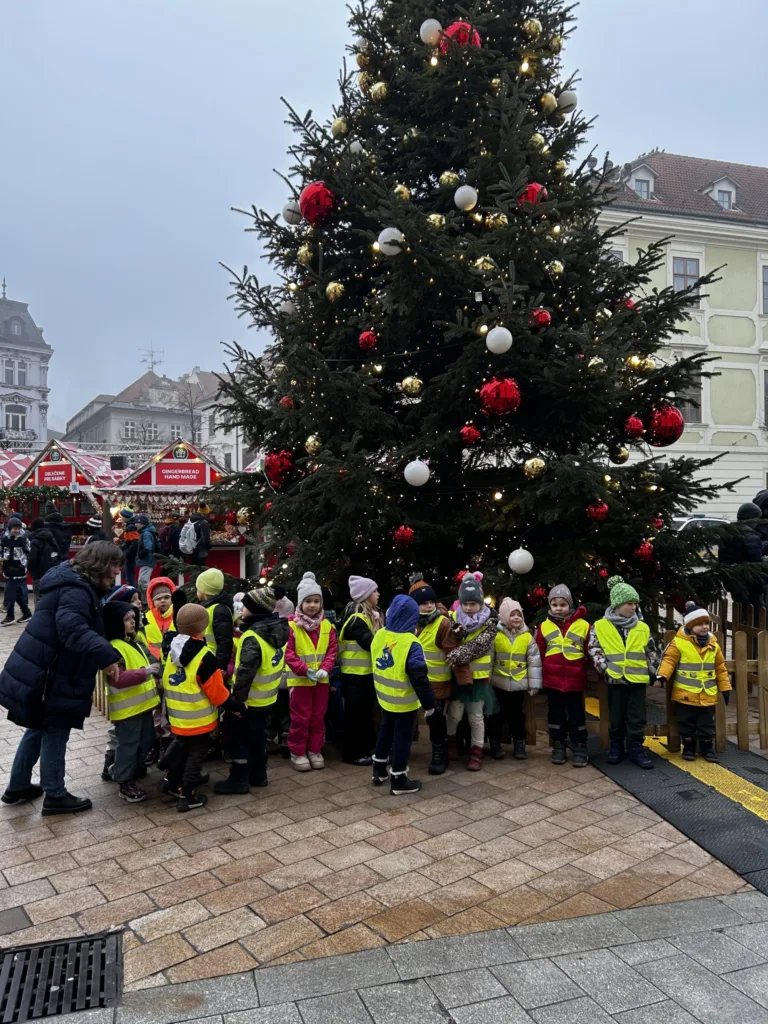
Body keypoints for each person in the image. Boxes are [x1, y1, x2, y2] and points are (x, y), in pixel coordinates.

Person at [0, 541, 123, 815]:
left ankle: (18, 785)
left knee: (36, 726)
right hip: (52, 673)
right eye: (113, 569)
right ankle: (55, 794)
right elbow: (73, 630)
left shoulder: (69, 580)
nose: (115, 575)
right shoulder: (76, 591)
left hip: (41, 668)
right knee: (56, 730)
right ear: (100, 565)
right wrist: (107, 656)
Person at [165, 603, 244, 810]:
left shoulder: (172, 649)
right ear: (203, 627)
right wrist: (233, 705)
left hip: (178, 716)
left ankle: (172, 782)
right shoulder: (204, 656)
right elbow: (217, 692)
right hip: (198, 718)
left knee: (182, 748)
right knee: (196, 754)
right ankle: (188, 795)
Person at [213, 587, 287, 795]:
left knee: (239, 740)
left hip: (248, 701)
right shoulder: (277, 631)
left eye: (245, 606)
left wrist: (236, 701)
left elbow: (245, 674)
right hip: (267, 698)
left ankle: (239, 779)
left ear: (254, 610)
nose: (242, 610)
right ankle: (258, 775)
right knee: (258, 738)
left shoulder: (252, 637)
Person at [588, 576, 658, 769]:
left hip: (637, 681)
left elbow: (650, 650)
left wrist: (653, 671)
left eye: (635, 603)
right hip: (615, 680)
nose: (633, 607)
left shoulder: (642, 627)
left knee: (637, 716)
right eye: (629, 603)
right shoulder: (600, 626)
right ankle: (616, 746)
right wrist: (605, 668)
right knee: (616, 716)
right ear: (617, 604)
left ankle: (636, 748)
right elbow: (594, 648)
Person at [371, 594, 436, 795]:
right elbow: (420, 678)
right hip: (404, 701)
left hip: (384, 697)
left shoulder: (380, 634)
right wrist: (430, 705)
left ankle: (379, 769)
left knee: (385, 731)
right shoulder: (411, 643)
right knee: (402, 738)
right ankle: (399, 778)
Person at [102, 600, 161, 803]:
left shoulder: (133, 642)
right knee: (129, 745)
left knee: (146, 740)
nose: (132, 623)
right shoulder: (114, 648)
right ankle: (124, 782)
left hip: (142, 707)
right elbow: (117, 679)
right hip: (127, 711)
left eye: (133, 619)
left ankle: (122, 769)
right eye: (126, 619)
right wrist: (145, 673)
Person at [657, 603, 731, 763]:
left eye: (706, 623)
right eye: (699, 624)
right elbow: (669, 659)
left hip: (708, 694)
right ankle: (689, 747)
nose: (704, 627)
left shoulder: (713, 645)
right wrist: (662, 675)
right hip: (685, 694)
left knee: (706, 724)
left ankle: (707, 748)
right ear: (690, 625)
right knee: (686, 723)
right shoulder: (679, 642)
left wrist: (725, 687)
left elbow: (720, 667)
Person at [409, 573, 466, 776]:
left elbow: (453, 651)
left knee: (436, 720)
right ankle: (401, 750)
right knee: (407, 717)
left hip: (437, 683)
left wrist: (463, 678)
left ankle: (439, 753)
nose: (429, 606)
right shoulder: (410, 624)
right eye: (424, 603)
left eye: (432, 602)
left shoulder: (442, 623)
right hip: (412, 683)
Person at [444, 572, 498, 772]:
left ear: (480, 602)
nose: (468, 608)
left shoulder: (490, 621)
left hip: (478, 679)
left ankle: (477, 751)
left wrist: (456, 655)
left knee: (476, 716)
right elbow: (446, 642)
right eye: (465, 604)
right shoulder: (451, 619)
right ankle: (451, 744)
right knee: (455, 714)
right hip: (458, 677)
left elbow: (479, 646)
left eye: (473, 604)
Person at [285, 572, 338, 771]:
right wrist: (304, 670)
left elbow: (332, 650)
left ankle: (315, 750)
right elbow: (288, 654)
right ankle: (297, 752)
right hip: (300, 682)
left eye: (316, 601)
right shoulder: (292, 626)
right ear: (300, 603)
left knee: (318, 717)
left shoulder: (327, 626)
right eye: (308, 601)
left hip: (321, 682)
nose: (313, 605)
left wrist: (325, 669)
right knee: (300, 718)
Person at [536, 584, 590, 767]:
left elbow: (589, 651)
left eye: (562, 604)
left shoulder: (583, 626)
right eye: (555, 604)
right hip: (553, 681)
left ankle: (579, 745)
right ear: (550, 606)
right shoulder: (545, 626)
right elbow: (540, 652)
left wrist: (587, 670)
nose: (559, 608)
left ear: (570, 605)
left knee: (577, 715)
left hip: (575, 680)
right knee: (556, 714)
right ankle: (558, 744)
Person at [488, 598, 542, 761]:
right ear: (504, 617)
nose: (517, 618)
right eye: (512, 615)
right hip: (498, 683)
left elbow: (534, 662)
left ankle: (519, 743)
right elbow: (489, 659)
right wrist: (487, 680)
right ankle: (495, 743)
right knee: (496, 716)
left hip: (518, 685)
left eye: (519, 615)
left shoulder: (527, 637)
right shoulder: (496, 636)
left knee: (517, 716)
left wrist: (534, 684)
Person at [338, 575, 382, 766]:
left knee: (365, 713)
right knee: (355, 716)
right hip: (354, 676)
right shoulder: (357, 619)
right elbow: (372, 644)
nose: (378, 594)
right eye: (374, 591)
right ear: (365, 596)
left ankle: (367, 746)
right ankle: (352, 753)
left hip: (364, 675)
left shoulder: (368, 615)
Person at [718, 502, 766, 608]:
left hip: (734, 584)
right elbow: (756, 566)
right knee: (755, 616)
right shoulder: (751, 536)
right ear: (751, 518)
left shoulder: (729, 534)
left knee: (740, 613)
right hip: (750, 586)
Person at [195, 567, 234, 677]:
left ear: (205, 591)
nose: (196, 591)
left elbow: (224, 642)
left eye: (198, 588)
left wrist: (220, 666)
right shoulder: (207, 607)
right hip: (205, 660)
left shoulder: (219, 610)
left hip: (213, 663)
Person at [1, 517, 31, 626]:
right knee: (16, 593)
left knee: (9, 592)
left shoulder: (24, 538)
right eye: (14, 528)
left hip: (19, 568)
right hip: (7, 567)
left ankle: (10, 615)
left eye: (18, 528)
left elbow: (29, 551)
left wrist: (25, 563)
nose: (16, 530)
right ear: (10, 528)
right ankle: (27, 613)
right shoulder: (4, 538)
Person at [28, 517, 59, 601]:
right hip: (51, 573)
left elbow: (32, 559)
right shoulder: (52, 538)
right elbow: (57, 554)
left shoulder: (35, 541)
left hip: (39, 575)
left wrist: (32, 572)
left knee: (39, 599)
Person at [144, 578, 176, 659]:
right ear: (152, 601)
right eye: (158, 599)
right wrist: (158, 656)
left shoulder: (179, 614)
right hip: (154, 660)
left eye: (166, 597)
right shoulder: (146, 617)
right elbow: (144, 642)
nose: (163, 601)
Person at [135, 514, 158, 598]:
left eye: (137, 523)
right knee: (143, 580)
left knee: (143, 581)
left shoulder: (146, 533)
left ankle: (146, 599)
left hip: (147, 560)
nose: (136, 524)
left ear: (142, 524)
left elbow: (148, 547)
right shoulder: (148, 532)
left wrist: (140, 555)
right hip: (148, 560)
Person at [119, 509, 139, 587]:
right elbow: (129, 541)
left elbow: (134, 543)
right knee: (128, 576)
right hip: (130, 555)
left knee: (129, 577)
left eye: (122, 516)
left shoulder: (131, 527)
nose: (121, 518)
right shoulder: (130, 526)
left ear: (126, 517)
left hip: (130, 556)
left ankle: (134, 593)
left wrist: (126, 553)